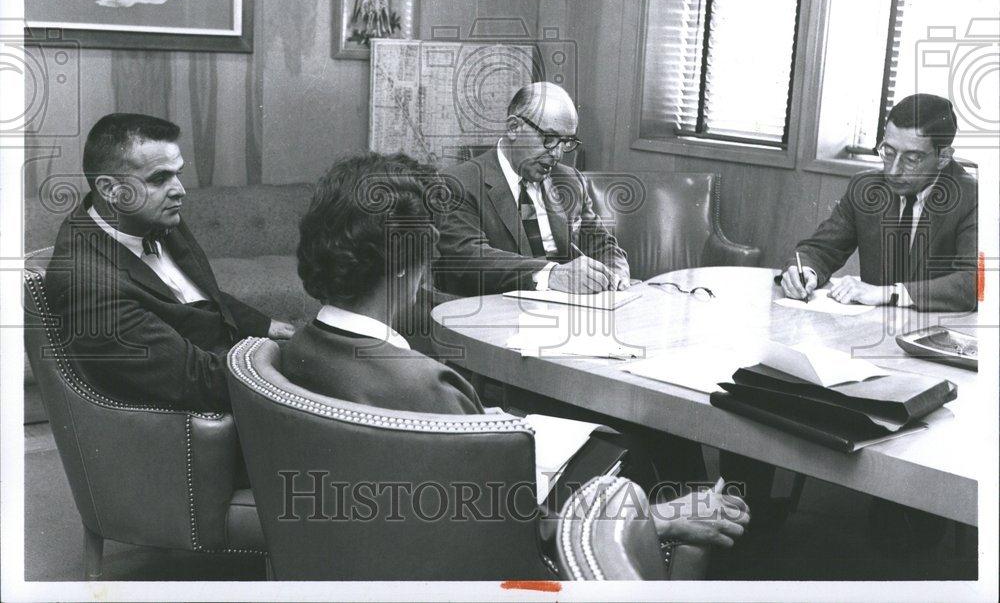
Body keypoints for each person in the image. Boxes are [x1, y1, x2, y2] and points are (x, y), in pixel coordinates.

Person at [283, 152, 750, 557]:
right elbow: (520, 528)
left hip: (386, 522)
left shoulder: (293, 352)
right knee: (640, 446)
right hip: (501, 544)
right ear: (410, 269)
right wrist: (660, 516)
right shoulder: (426, 387)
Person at [45, 113, 295, 412]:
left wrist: (266, 326)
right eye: (160, 178)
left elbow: (198, 295)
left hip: (223, 357)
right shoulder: (89, 284)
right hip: (204, 393)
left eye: (178, 174)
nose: (179, 189)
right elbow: (198, 380)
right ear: (111, 189)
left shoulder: (150, 214)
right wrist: (296, 360)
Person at [780, 93, 977, 311]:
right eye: (889, 152)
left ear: (943, 158)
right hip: (870, 328)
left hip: (938, 331)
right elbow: (821, 249)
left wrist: (888, 293)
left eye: (912, 160)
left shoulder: (973, 198)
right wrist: (805, 270)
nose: (893, 171)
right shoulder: (866, 188)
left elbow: (976, 283)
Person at [434, 82, 629, 297]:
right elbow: (469, 257)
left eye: (566, 142)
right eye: (549, 139)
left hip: (569, 310)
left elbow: (601, 243)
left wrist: (615, 275)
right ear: (513, 128)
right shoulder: (457, 183)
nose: (557, 155)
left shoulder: (570, 180)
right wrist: (551, 274)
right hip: (497, 311)